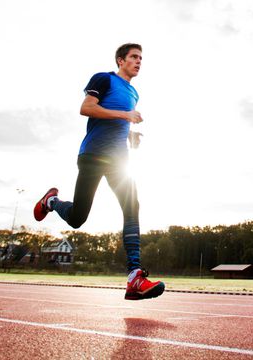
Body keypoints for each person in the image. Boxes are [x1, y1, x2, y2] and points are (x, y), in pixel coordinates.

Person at [34, 43, 164, 300]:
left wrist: (130, 134)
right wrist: (126, 116)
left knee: (132, 206)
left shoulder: (134, 93)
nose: (139, 61)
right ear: (120, 60)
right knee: (77, 218)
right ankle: (51, 201)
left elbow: (117, 122)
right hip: (93, 155)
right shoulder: (103, 79)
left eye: (141, 58)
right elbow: (87, 108)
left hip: (118, 160)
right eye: (134, 57)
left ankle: (134, 277)